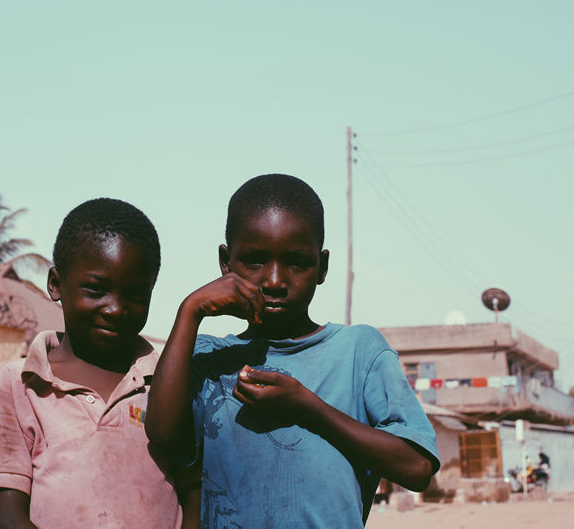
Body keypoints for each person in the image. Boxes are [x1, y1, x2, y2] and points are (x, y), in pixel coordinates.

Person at [145, 174, 440, 528]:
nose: (274, 281)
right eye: (255, 260)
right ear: (226, 262)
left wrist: (307, 407)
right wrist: (190, 310)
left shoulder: (358, 352)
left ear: (322, 267)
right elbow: (161, 433)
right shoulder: (210, 356)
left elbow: (417, 468)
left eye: (297, 262)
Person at [0, 198, 200, 529]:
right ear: (56, 284)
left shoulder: (165, 383)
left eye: (136, 296)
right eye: (96, 289)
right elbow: (8, 517)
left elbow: (194, 493)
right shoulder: (21, 383)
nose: (116, 309)